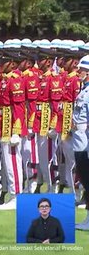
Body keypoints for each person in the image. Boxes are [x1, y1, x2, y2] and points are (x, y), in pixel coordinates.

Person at [73, 55, 89, 230]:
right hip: (79, 142)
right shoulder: (83, 89)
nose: (79, 72)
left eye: (82, 70)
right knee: (85, 180)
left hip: (86, 143)